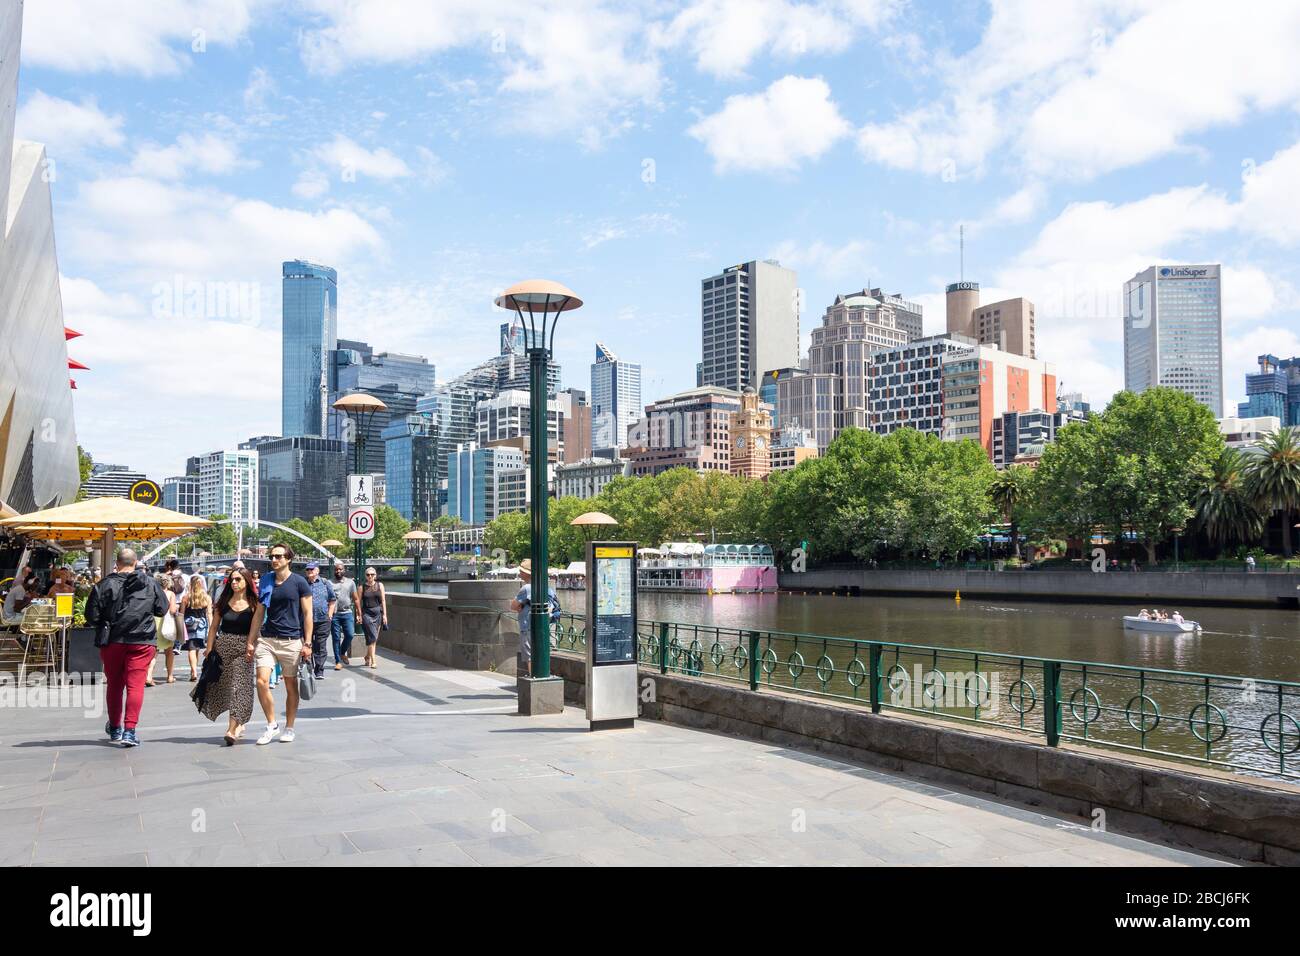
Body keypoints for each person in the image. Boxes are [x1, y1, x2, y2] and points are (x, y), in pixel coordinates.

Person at [84, 548, 168, 747]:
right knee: (135, 685)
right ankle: (130, 731)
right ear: (136, 562)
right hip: (142, 640)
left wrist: (106, 620)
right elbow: (162, 608)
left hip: (113, 640)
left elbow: (91, 616)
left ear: (117, 562)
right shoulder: (150, 583)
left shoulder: (104, 584)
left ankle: (115, 728)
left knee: (114, 685)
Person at [248, 544, 313, 745]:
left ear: (288, 559)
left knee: (290, 685)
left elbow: (307, 613)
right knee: (261, 681)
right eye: (272, 556)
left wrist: (308, 642)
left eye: (278, 556)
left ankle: (289, 727)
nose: (274, 560)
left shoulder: (300, 583)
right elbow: (259, 613)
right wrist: (251, 641)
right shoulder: (266, 581)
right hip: (267, 639)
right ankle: (271, 724)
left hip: (291, 641)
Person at [196, 568, 261, 745]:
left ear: (247, 581)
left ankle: (231, 730)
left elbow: (257, 628)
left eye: (238, 579)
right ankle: (238, 723)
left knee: (239, 688)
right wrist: (209, 649)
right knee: (224, 688)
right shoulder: (223, 601)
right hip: (224, 647)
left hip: (244, 650)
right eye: (231, 580)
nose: (233, 583)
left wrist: (251, 645)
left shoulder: (255, 603)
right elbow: (214, 627)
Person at [509, 559, 559, 678]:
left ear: (526, 573)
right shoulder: (545, 587)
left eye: (521, 571)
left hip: (528, 626)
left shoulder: (527, 588)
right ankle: (542, 677)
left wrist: (521, 606)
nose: (519, 573)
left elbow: (513, 606)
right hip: (543, 625)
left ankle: (534, 679)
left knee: (530, 656)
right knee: (541, 653)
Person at [303, 562, 336, 680]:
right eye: (307, 570)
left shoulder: (325, 583)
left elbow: (332, 599)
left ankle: (319, 670)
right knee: (307, 643)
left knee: (320, 644)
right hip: (306, 620)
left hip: (322, 620)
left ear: (317, 571)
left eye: (311, 569)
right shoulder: (302, 583)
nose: (309, 572)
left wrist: (330, 615)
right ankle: (308, 668)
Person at [180, 574, 212, 681]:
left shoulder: (186, 597)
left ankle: (193, 671)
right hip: (201, 626)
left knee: (191, 649)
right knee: (196, 648)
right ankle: (193, 670)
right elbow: (209, 614)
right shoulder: (206, 597)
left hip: (189, 625)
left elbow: (181, 613)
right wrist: (211, 628)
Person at [331, 561, 360, 670]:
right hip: (335, 614)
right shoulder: (329, 583)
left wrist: (359, 613)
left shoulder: (350, 583)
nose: (338, 571)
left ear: (344, 570)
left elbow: (356, 599)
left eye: (340, 569)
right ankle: (338, 661)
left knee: (350, 634)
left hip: (347, 613)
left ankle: (342, 652)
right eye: (336, 569)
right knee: (336, 638)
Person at [359, 566, 387, 669]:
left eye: (372, 574)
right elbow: (358, 602)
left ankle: (367, 656)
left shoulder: (380, 585)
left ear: (375, 575)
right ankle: (373, 661)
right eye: (368, 574)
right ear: (365, 576)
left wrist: (385, 615)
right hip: (366, 614)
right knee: (373, 637)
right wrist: (358, 615)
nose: (370, 576)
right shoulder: (362, 587)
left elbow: (383, 601)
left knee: (374, 638)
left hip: (377, 613)